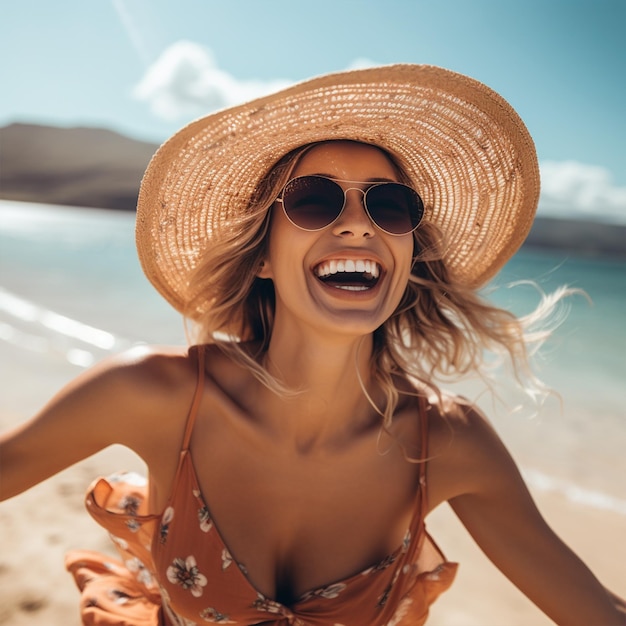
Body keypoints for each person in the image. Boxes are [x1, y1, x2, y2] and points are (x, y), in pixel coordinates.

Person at [0, 64, 623, 626]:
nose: (357, 223)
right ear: (264, 256)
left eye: (391, 206)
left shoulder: (448, 445)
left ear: (408, 255)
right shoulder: (154, 396)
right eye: (315, 200)